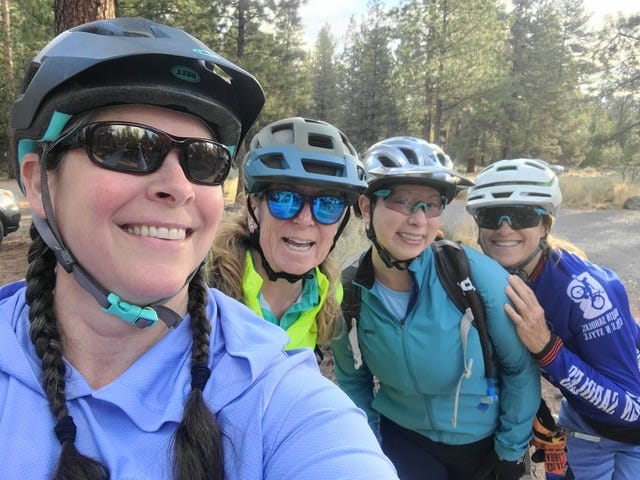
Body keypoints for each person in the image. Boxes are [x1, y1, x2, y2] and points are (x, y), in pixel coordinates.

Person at [0, 17, 399, 479]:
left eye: (203, 160)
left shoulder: (278, 392)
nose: (179, 186)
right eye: (124, 147)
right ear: (37, 181)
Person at [330, 137, 540, 480]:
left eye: (431, 204)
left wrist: (510, 451)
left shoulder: (474, 276)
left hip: (483, 445)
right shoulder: (347, 290)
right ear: (366, 206)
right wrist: (367, 446)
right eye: (402, 201)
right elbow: (353, 381)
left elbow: (519, 369)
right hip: (402, 440)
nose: (419, 220)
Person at [466, 158, 640, 479]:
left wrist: (547, 348)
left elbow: (631, 409)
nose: (504, 227)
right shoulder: (490, 278)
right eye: (491, 215)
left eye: (521, 215)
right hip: (583, 417)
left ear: (545, 225)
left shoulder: (584, 292)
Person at [207, 116, 367, 351]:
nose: (305, 219)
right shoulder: (204, 288)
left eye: (328, 204)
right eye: (285, 198)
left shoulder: (328, 294)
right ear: (254, 208)